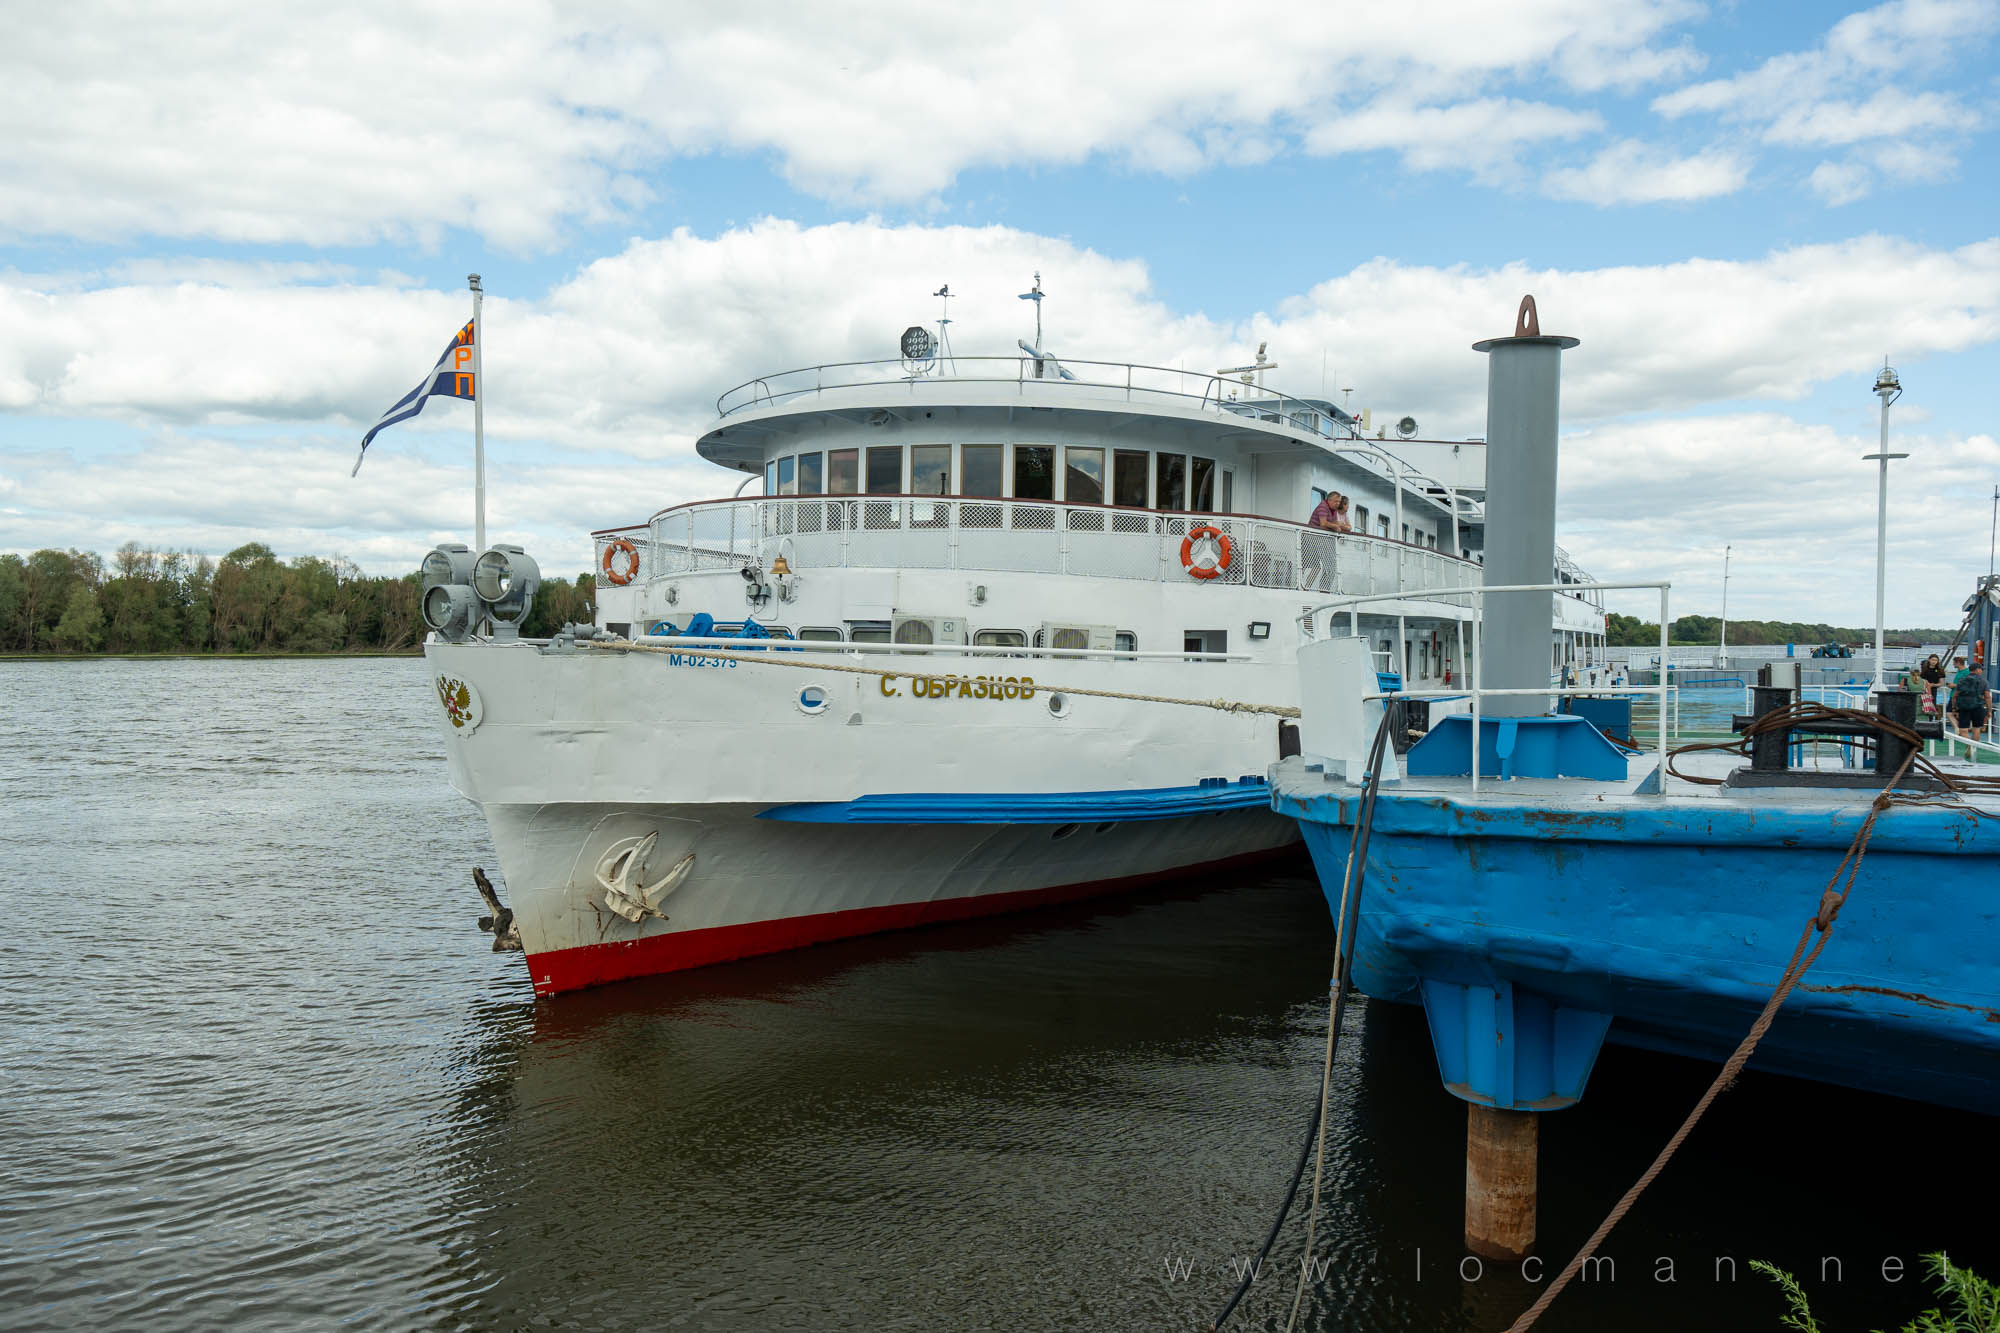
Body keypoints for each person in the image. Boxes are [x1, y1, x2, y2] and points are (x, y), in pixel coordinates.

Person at [1949, 655, 1990, 738]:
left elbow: (1954, 696)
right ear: (1977, 670)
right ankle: (1973, 748)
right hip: (1978, 707)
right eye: (1981, 669)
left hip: (1964, 707)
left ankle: (1968, 746)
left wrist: (1954, 708)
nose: (1981, 671)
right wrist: (1989, 710)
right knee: (1976, 728)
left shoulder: (1961, 680)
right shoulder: (1983, 681)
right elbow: (1987, 697)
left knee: (1963, 729)